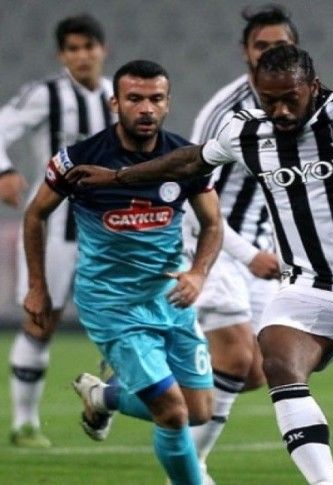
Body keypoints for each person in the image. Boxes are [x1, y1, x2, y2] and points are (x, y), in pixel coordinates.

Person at [64, 45, 333, 485]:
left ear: (312, 85)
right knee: (273, 362)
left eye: (289, 98)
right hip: (305, 284)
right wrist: (118, 177)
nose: (279, 110)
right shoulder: (244, 130)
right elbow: (192, 161)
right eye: (268, 99)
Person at [23, 59, 221, 484]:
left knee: (201, 410)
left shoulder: (184, 159)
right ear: (115, 102)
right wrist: (37, 286)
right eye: (135, 99)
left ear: (167, 103)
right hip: (112, 305)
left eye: (156, 99)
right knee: (173, 412)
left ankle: (104, 396)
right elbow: (35, 215)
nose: (146, 108)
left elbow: (212, 224)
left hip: (170, 299)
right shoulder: (78, 160)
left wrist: (199, 274)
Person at [181, 6, 294, 480]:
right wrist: (248, 255)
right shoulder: (224, 112)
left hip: (261, 249)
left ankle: (119, 390)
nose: (269, 53)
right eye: (260, 45)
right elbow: (191, 190)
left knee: (258, 371)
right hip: (213, 244)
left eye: (278, 45)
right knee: (235, 355)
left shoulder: (302, 102)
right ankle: (190, 470)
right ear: (246, 53)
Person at [0, 14, 114, 448]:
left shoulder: (118, 95)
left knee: (126, 321)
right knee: (41, 320)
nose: (82, 56)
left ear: (102, 49)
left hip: (110, 229)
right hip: (54, 228)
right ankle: (25, 422)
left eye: (89, 47)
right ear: (61, 55)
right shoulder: (45, 95)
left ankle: (104, 402)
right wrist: (4, 171)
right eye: (73, 49)